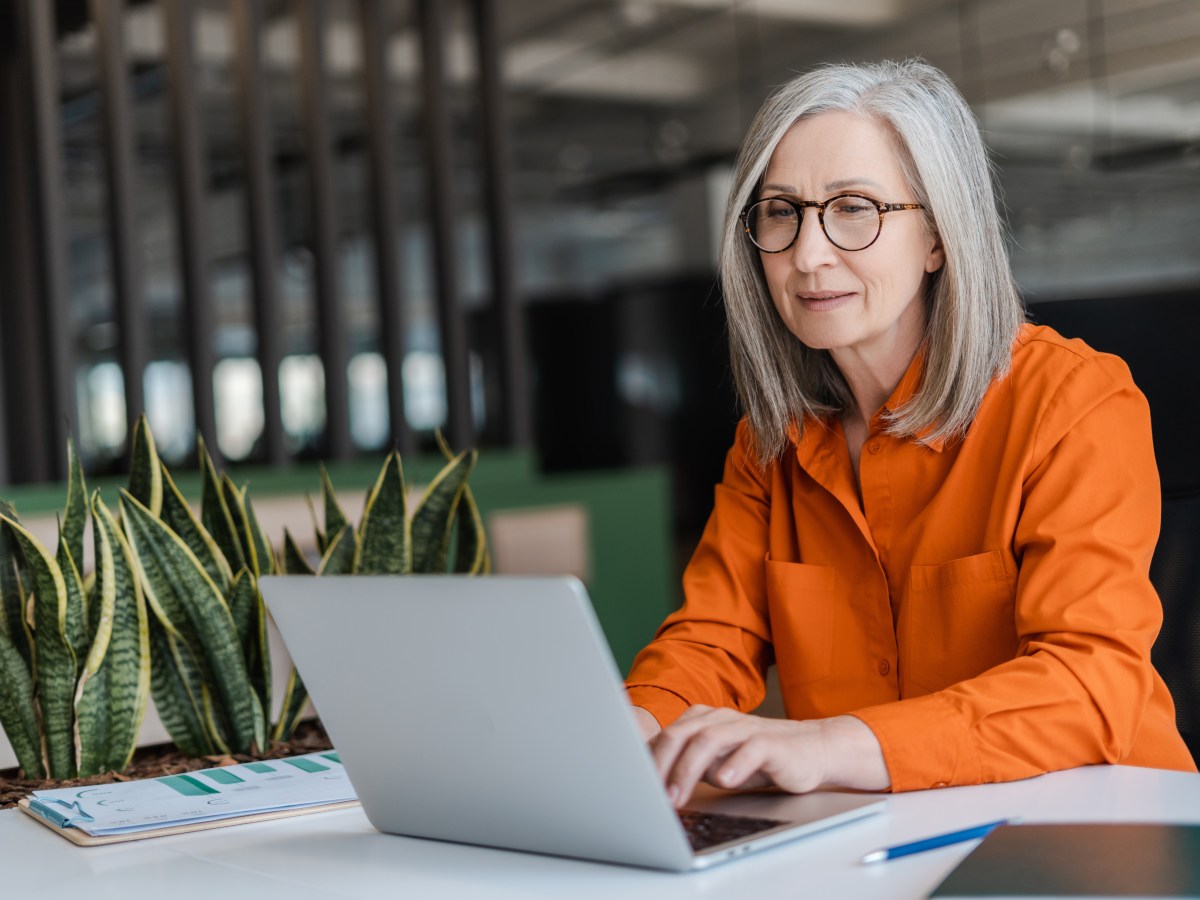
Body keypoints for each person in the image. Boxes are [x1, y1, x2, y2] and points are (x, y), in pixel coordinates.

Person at [624, 58, 1197, 806]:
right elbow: (710, 640)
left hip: (1091, 832)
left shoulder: (1073, 401)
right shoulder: (769, 446)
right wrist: (631, 728)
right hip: (883, 840)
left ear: (938, 236)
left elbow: (1090, 681)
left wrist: (827, 744)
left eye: (854, 207)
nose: (808, 254)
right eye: (781, 211)